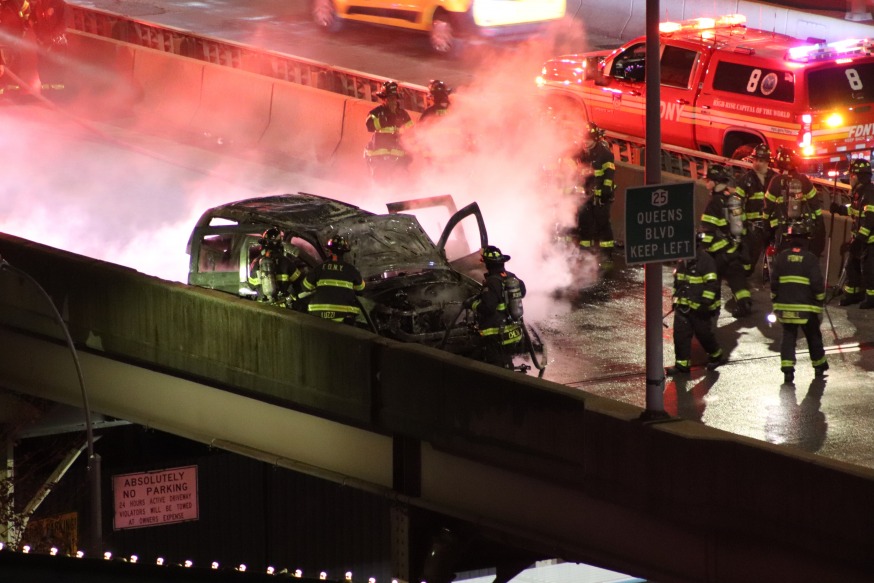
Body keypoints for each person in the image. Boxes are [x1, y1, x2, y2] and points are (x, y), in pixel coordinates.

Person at [770, 221, 828, 384]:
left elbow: (774, 282)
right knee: (813, 336)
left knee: (788, 336)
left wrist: (775, 298)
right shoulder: (810, 258)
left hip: (785, 306)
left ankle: (787, 370)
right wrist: (820, 300)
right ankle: (819, 365)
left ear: (789, 239)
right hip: (806, 307)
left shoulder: (781, 257)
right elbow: (817, 283)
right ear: (806, 239)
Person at [666, 232, 726, 376]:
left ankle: (716, 355)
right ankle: (682, 365)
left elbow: (712, 285)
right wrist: (676, 301)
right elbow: (678, 283)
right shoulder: (682, 262)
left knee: (704, 334)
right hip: (684, 307)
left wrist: (705, 303)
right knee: (680, 336)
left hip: (700, 308)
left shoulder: (706, 261)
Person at [699, 163, 753, 317]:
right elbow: (743, 225)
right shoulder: (733, 199)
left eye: (708, 180)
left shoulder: (714, 202)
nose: (706, 184)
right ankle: (745, 303)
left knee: (711, 278)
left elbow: (707, 229)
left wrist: (702, 249)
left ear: (715, 182)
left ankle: (711, 307)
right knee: (737, 278)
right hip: (735, 249)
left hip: (719, 251)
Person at [466, 246, 526, 369]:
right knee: (506, 362)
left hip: (497, 334)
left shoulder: (492, 282)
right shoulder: (511, 277)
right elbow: (523, 292)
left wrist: (471, 304)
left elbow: (488, 308)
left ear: (487, 264)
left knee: (497, 367)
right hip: (513, 332)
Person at [764, 146, 824, 257]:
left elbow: (767, 207)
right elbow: (815, 204)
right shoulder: (804, 180)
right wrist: (818, 224)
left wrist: (765, 226)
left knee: (782, 261)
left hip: (783, 232)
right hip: (803, 232)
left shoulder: (776, 181)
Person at [830, 158, 874, 308]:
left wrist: (860, 240)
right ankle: (853, 294)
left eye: (852, 175)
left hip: (870, 241)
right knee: (852, 267)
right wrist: (839, 209)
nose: (850, 178)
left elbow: (870, 221)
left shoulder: (870, 194)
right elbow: (854, 211)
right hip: (860, 239)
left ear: (859, 176)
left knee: (869, 270)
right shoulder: (858, 193)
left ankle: (871, 298)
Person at [574, 122, 616, 265]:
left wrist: (604, 193)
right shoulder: (581, 153)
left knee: (602, 225)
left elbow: (609, 175)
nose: (585, 143)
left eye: (588, 140)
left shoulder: (605, 155)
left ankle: (606, 255)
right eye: (584, 140)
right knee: (585, 224)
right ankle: (585, 255)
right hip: (585, 196)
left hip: (601, 198)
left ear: (596, 139)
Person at [301, 235, 365, 324]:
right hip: (344, 316)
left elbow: (305, 286)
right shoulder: (351, 269)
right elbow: (361, 288)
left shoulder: (319, 268)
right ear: (344, 252)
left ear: (329, 251)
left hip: (318, 315)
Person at [735, 144, 778, 278]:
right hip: (753, 228)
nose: (758, 163)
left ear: (767, 162)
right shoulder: (746, 180)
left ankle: (769, 277)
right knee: (749, 259)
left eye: (761, 161)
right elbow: (737, 204)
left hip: (771, 226)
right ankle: (744, 278)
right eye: (755, 160)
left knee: (773, 257)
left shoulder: (775, 179)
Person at [364, 80, 414, 181]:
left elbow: (411, 133)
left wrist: (409, 153)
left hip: (398, 157)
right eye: (389, 98)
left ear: (397, 99)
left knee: (401, 181)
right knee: (380, 181)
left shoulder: (403, 114)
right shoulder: (376, 112)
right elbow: (369, 126)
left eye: (394, 98)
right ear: (384, 98)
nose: (392, 100)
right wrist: (383, 121)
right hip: (379, 155)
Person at [247, 226, 304, 306]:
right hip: (282, 307)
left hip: (263, 307)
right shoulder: (285, 261)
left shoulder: (256, 262)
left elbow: (251, 285)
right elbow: (299, 283)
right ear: (279, 243)